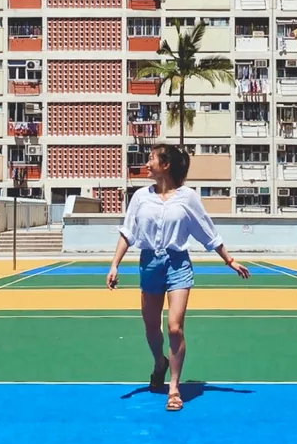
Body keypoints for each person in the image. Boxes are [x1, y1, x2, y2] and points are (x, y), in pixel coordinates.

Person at [106, 143, 249, 411]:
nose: (147, 164)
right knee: (151, 326)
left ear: (165, 164)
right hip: (149, 264)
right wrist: (114, 265)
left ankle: (174, 387)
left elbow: (207, 231)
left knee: (174, 326)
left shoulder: (187, 197)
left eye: (151, 159)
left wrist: (229, 259)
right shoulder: (139, 197)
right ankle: (159, 363)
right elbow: (127, 232)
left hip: (177, 264)